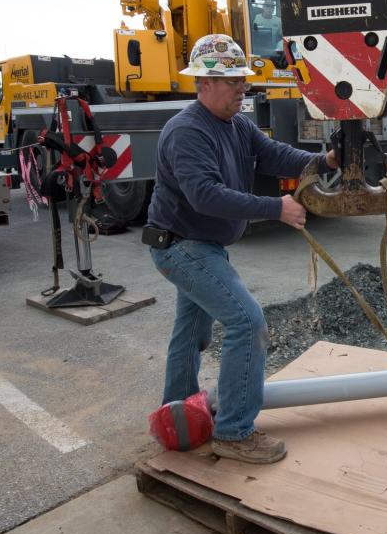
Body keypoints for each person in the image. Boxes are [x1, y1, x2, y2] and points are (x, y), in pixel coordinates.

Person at [144, 34, 337, 463]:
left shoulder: (237, 125)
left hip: (200, 244)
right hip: (182, 247)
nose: (241, 88)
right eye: (231, 80)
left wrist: (324, 162)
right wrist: (277, 208)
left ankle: (177, 416)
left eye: (241, 79)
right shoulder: (187, 132)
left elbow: (275, 155)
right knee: (247, 324)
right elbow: (204, 196)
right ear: (204, 83)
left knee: (191, 333)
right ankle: (233, 432)